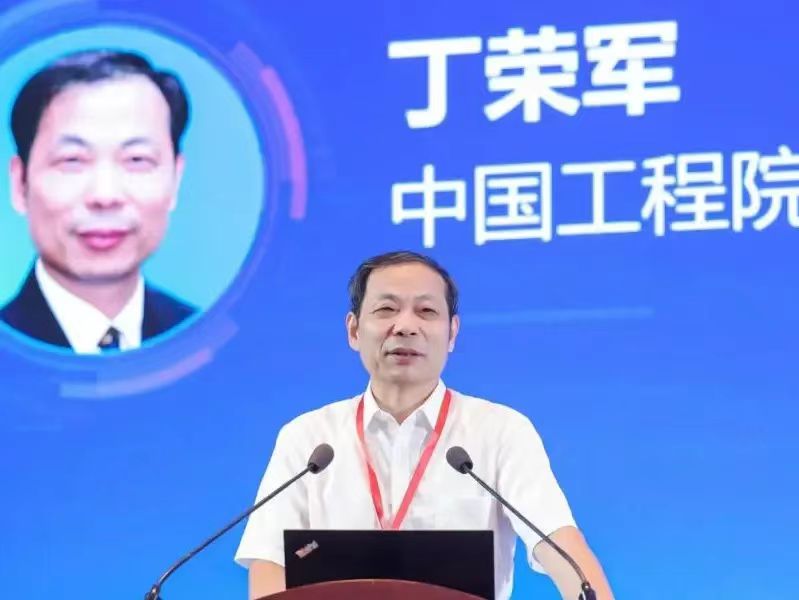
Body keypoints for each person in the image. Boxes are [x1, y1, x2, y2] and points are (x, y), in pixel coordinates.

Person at [235, 251, 614, 600]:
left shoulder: (500, 431)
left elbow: (558, 543)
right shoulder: (308, 439)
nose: (405, 326)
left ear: (452, 333)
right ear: (353, 330)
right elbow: (271, 562)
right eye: (386, 309)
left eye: (426, 311)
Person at [0, 50, 194, 353]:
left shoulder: (210, 346)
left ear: (175, 180)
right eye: (72, 160)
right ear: (19, 183)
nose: (105, 196)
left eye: (137, 160)